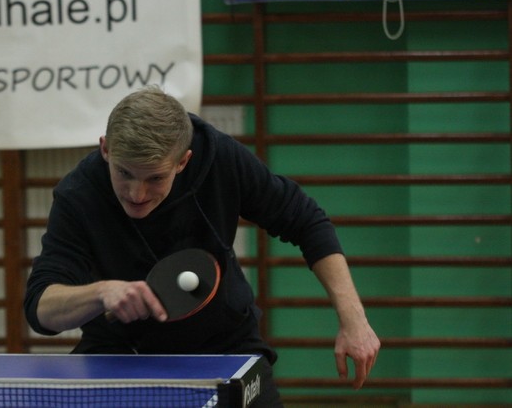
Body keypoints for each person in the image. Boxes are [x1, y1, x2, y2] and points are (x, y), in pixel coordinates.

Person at [24, 85, 380, 406]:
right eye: (125, 173)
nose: (136, 193)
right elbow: (40, 307)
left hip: (226, 346)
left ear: (183, 161)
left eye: (155, 178)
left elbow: (306, 220)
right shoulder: (79, 196)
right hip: (121, 353)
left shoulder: (218, 157)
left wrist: (354, 320)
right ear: (106, 149)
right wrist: (101, 293)